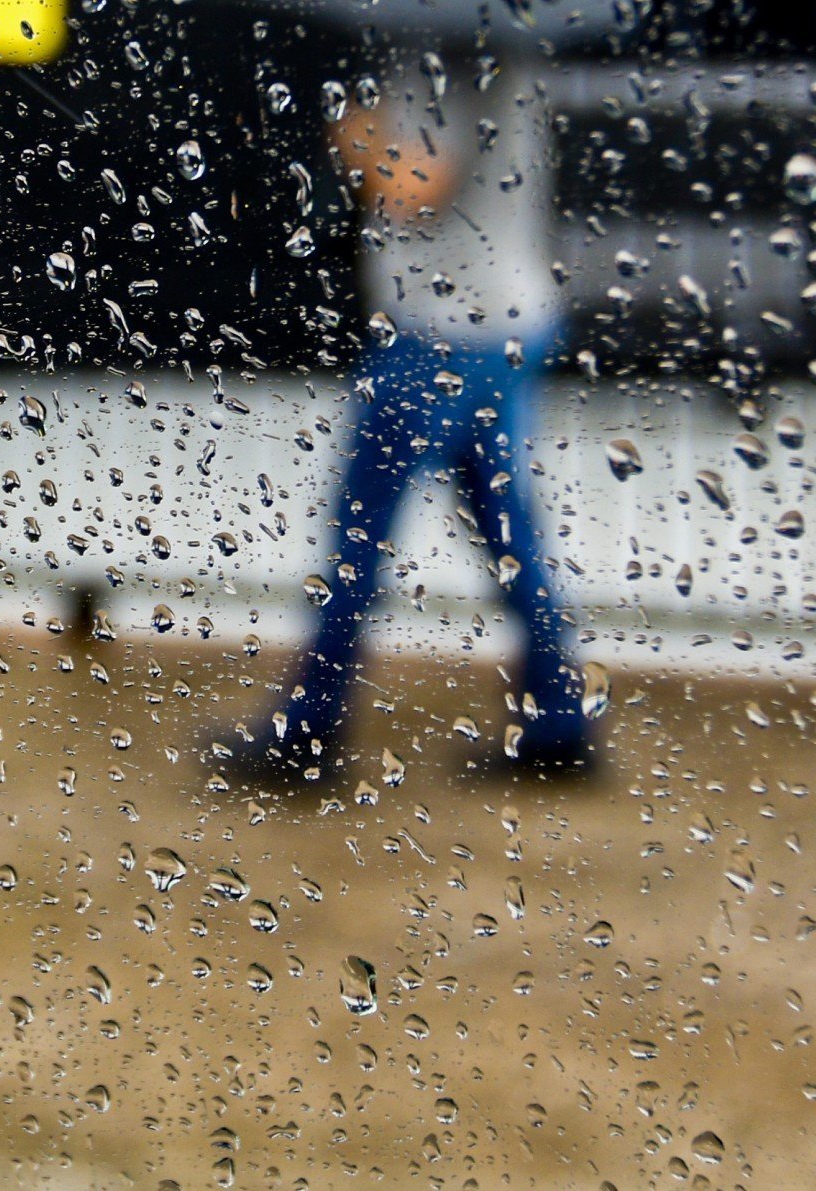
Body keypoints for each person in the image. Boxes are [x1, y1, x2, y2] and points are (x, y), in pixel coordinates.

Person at [216, 52, 593, 786]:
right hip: (502, 325)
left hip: (442, 337)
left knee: (359, 532)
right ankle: (558, 720)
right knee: (506, 528)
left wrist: (349, 132)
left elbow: (415, 186)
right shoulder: (501, 54)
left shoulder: (449, 59)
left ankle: (309, 730)